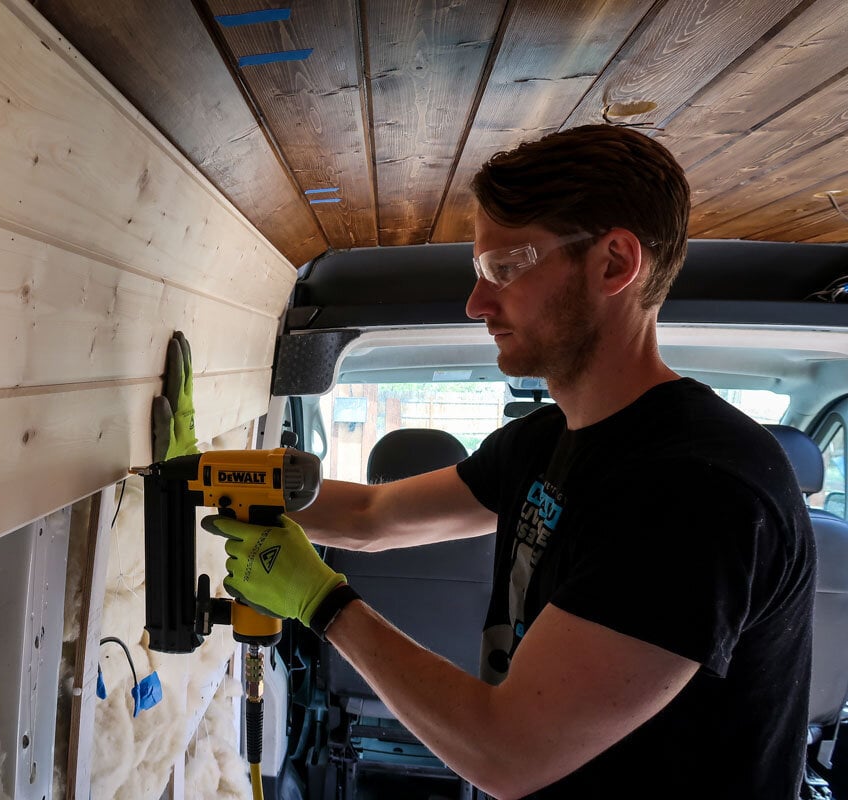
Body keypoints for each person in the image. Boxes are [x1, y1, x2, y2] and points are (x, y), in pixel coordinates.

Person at [201, 124, 816, 799]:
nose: (476, 304)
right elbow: (374, 516)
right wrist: (206, 475)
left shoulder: (699, 490)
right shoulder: (546, 439)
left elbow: (506, 750)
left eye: (504, 269)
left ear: (614, 263)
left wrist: (322, 603)